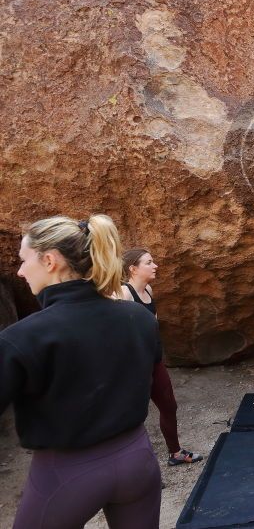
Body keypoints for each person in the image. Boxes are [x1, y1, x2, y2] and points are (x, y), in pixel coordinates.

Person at [0, 215, 162, 528]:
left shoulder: (22, 338)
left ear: (49, 261)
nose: (19, 271)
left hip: (65, 475)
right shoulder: (138, 318)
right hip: (137, 461)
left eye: (23, 260)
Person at [120, 248, 202, 467]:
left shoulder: (148, 289)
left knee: (169, 407)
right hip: (134, 368)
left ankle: (175, 453)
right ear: (133, 268)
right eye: (149, 262)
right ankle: (137, 469)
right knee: (133, 417)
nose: (155, 265)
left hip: (154, 362)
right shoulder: (123, 293)